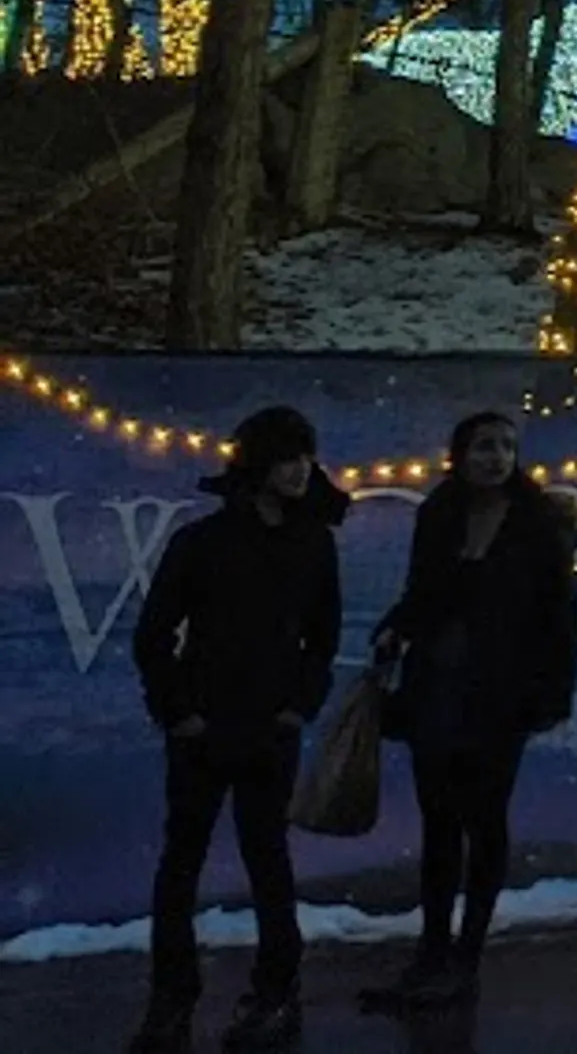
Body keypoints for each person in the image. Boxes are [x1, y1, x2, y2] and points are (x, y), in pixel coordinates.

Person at [128, 404, 350, 1052]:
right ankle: (172, 996)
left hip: (268, 730)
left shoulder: (314, 543)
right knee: (181, 864)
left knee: (268, 862)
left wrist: (297, 707)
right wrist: (180, 713)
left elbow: (324, 637)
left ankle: (276, 991)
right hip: (202, 728)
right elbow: (153, 635)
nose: (301, 470)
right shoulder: (201, 543)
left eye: (306, 457)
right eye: (287, 458)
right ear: (257, 464)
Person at [361, 411, 577, 1011]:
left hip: (500, 695)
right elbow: (423, 594)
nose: (497, 457)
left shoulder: (538, 523)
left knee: (483, 820)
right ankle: (431, 949)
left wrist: (552, 695)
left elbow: (559, 616)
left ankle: (467, 956)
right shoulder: (439, 514)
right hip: (438, 685)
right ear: (459, 454)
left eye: (507, 447)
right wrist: (395, 631)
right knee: (438, 823)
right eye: (485, 447)